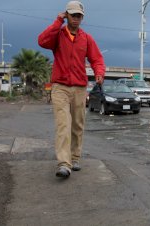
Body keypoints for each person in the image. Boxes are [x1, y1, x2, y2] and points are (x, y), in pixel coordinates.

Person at [38, 1, 105, 178]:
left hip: (79, 88)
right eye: (73, 15)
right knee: (63, 125)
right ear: (66, 15)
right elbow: (42, 41)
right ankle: (64, 164)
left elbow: (97, 59)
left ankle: (75, 157)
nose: (76, 18)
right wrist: (57, 21)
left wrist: (99, 73)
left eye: (79, 16)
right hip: (60, 87)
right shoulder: (58, 35)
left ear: (82, 17)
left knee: (77, 125)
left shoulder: (86, 38)